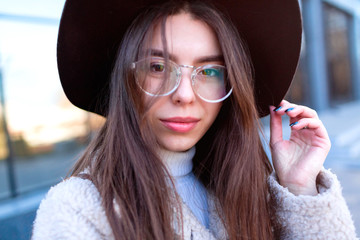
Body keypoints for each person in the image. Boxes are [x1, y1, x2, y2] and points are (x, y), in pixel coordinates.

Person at [32, 0, 357, 239]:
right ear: (125, 79)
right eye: (157, 67)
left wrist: (300, 187)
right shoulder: (78, 210)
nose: (184, 95)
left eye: (210, 71)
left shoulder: (245, 191)